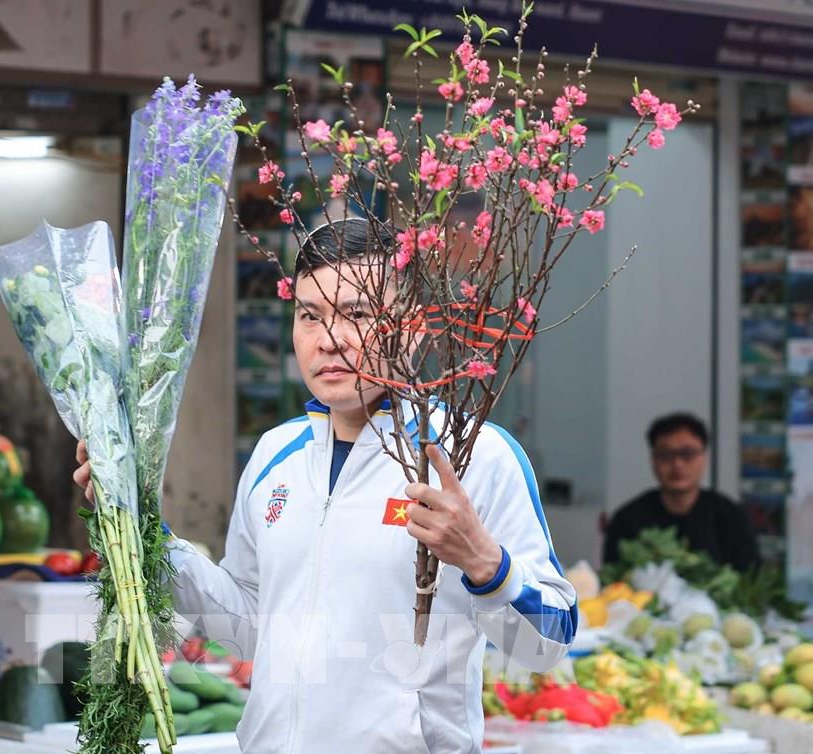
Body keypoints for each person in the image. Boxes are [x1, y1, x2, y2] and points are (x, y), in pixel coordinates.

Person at [74, 219, 577, 753]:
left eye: (356, 314)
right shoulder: (276, 454)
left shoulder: (472, 456)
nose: (328, 340)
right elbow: (246, 629)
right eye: (309, 316)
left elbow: (545, 648)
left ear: (411, 327)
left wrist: (484, 564)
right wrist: (143, 532)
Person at [603, 412, 759, 571]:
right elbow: (612, 577)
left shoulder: (730, 517)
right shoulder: (628, 519)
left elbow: (750, 576)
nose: (677, 464)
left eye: (687, 454)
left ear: (704, 457)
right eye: (665, 455)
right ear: (653, 460)